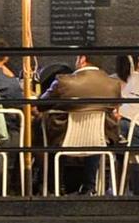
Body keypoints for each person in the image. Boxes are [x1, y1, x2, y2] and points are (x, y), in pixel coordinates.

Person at [43, 55, 124, 193]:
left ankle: (55, 186)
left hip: (64, 139)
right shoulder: (113, 84)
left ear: (82, 59)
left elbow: (41, 104)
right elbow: (115, 109)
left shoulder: (63, 81)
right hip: (101, 140)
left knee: (44, 125)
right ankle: (89, 186)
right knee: (96, 135)